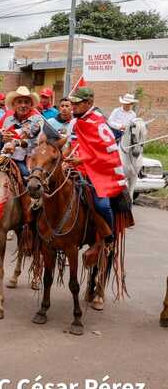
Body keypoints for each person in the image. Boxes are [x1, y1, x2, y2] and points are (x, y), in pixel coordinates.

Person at [65, 87, 130, 266]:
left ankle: (108, 238)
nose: (73, 107)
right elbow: (77, 144)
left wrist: (81, 160)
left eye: (77, 104)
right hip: (82, 165)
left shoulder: (94, 121)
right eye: (72, 103)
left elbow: (103, 152)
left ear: (89, 103)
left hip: (101, 170)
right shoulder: (81, 120)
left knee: (102, 204)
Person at [0, 86, 44, 178]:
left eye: (26, 102)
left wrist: (15, 143)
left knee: (27, 176)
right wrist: (3, 138)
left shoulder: (37, 120)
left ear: (31, 105)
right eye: (20, 102)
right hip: (6, 155)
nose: (23, 105)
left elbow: (33, 143)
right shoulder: (8, 120)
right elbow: (0, 139)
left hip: (28, 159)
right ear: (14, 104)